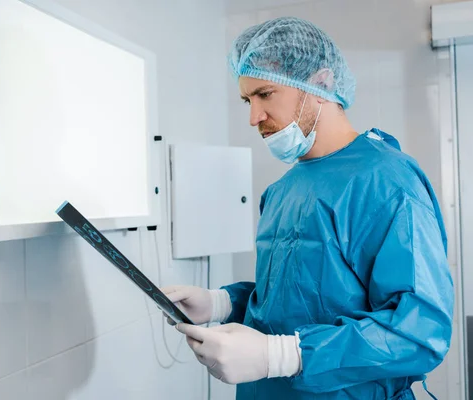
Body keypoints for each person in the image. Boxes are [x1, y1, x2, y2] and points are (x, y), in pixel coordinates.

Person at [161, 16, 454, 400]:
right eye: (248, 100)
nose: (254, 117)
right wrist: (220, 302)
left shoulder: (387, 181)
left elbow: (419, 332)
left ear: (320, 83)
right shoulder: (282, 190)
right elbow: (292, 299)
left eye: (265, 94)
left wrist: (283, 355)